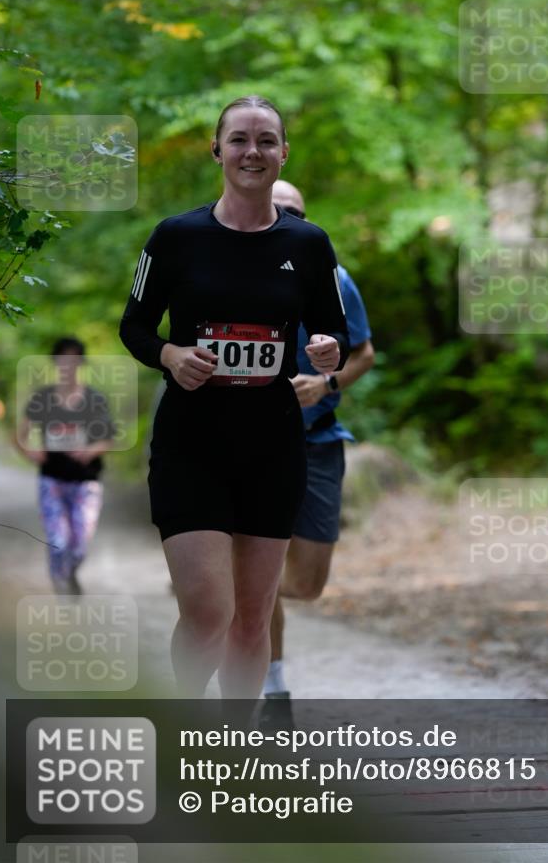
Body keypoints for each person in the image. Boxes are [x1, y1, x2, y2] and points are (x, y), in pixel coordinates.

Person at [119, 95, 349, 699]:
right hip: (191, 447)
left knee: (253, 620)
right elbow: (135, 328)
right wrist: (170, 354)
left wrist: (327, 351)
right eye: (240, 139)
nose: (253, 151)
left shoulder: (309, 244)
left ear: (283, 153)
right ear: (217, 150)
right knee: (208, 613)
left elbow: (334, 332)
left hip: (272, 449)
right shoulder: (176, 237)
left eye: (267, 140)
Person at [264, 181, 374, 702]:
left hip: (319, 441)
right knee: (259, 562)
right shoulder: (234, 276)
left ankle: (235, 590)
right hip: (253, 445)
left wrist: (324, 384)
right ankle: (272, 684)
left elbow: (365, 354)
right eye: (279, 210)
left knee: (307, 583)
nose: (289, 219)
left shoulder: (336, 280)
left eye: (298, 213)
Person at [15, 336, 115, 595]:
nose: (68, 365)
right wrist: (30, 452)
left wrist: (89, 450)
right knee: (58, 540)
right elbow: (20, 435)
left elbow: (108, 438)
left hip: (86, 482)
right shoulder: (43, 398)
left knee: (79, 544)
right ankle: (60, 584)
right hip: (52, 480)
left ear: (81, 363)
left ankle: (70, 572)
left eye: (73, 359)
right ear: (55, 362)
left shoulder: (94, 399)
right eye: (63, 359)